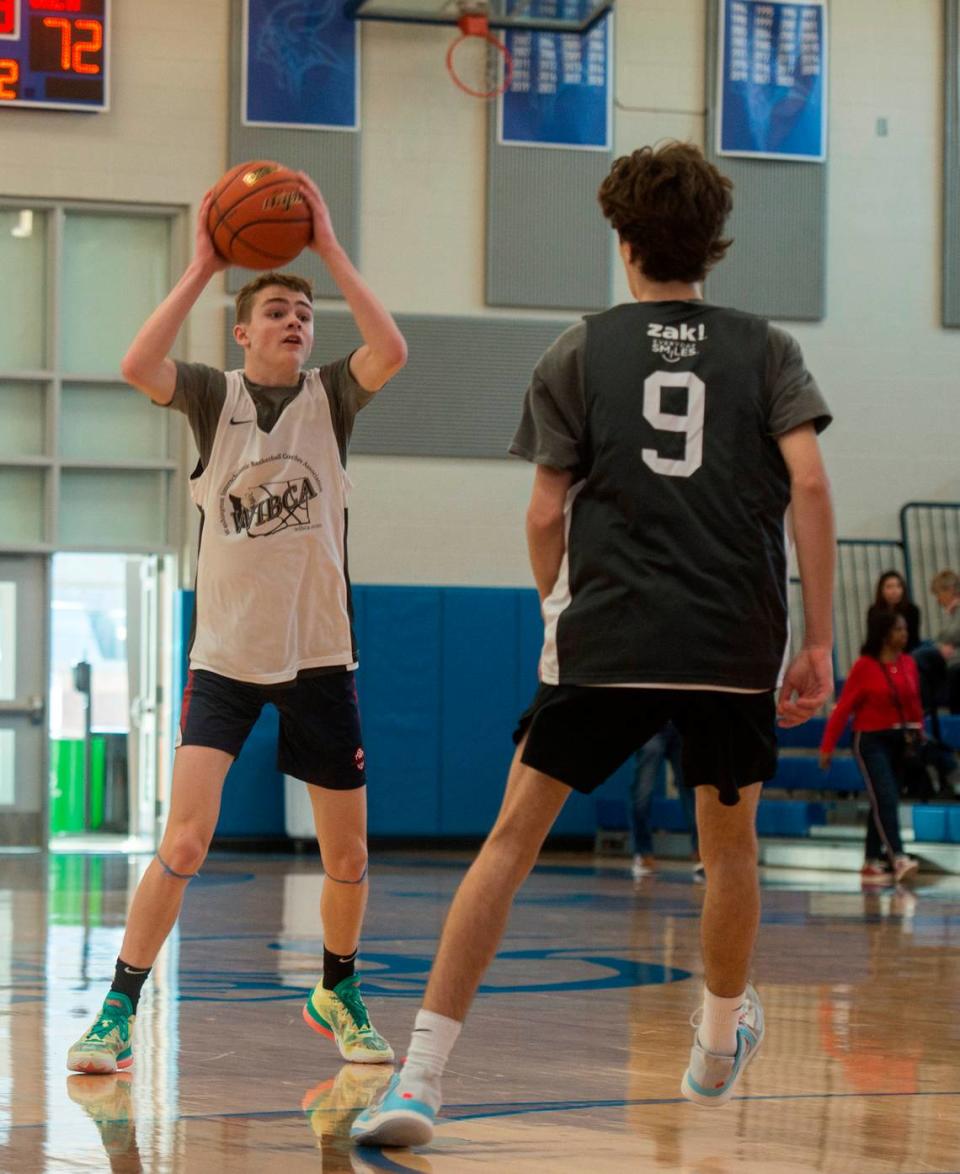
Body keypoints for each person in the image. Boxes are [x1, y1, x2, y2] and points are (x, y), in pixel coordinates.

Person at [350, 141, 835, 1147]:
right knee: (727, 848)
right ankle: (714, 1033)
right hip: (729, 638)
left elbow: (542, 512)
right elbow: (813, 488)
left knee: (510, 842)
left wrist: (552, 608)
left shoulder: (578, 349)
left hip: (608, 632)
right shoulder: (769, 349)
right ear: (717, 244)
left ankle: (421, 1080)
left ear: (622, 244)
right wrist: (819, 640)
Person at [66, 173, 408, 1074]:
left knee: (350, 854)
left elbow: (394, 349)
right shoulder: (213, 400)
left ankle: (338, 988)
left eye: (304, 311)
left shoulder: (332, 398)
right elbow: (138, 365)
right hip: (222, 659)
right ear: (243, 330)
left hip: (321, 657)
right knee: (184, 841)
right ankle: (115, 1012)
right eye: (278, 311)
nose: (296, 321)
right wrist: (202, 263)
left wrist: (329, 248)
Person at [819, 611, 923, 885]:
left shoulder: (909, 663)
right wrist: (827, 746)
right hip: (870, 740)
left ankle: (870, 860)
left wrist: (919, 732)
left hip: (901, 740)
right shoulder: (864, 666)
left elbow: (915, 703)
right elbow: (843, 709)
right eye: (899, 629)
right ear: (885, 633)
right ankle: (897, 857)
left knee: (882, 799)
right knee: (886, 796)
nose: (905, 634)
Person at [630, 723, 702, 881]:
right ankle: (643, 853)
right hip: (652, 722)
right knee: (643, 791)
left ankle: (701, 853)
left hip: (682, 724)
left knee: (693, 790)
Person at [913, 570, 960, 735]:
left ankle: (924, 709)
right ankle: (924, 710)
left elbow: (953, 634)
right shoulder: (952, 614)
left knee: (920, 657)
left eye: (939, 594)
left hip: (955, 662)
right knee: (920, 659)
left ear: (950, 590)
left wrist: (942, 644)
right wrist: (941, 645)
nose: (938, 600)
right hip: (950, 661)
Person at [867, 570, 921, 653]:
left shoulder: (912, 610)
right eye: (889, 587)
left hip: (907, 653)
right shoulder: (874, 611)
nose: (894, 591)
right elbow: (872, 639)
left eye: (898, 586)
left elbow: (913, 640)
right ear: (881, 590)